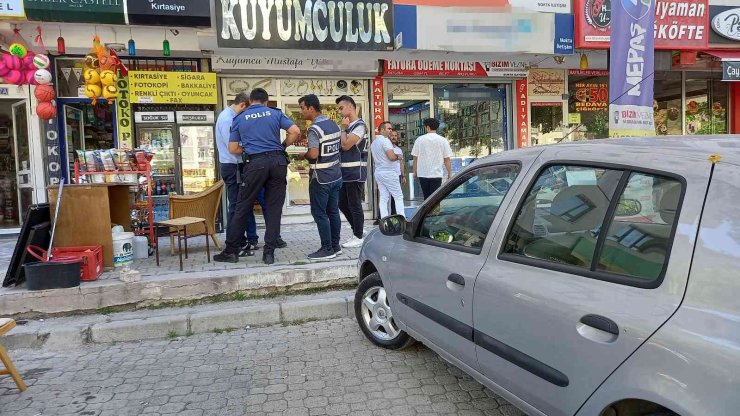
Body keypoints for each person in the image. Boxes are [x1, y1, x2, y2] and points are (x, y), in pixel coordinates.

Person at [214, 88, 301, 265]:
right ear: (266, 102)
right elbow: (296, 131)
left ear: (250, 101)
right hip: (278, 163)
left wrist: (250, 149)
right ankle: (269, 254)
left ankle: (231, 251)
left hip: (255, 164)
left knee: (242, 206)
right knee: (274, 208)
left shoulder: (239, 118)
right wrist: (282, 146)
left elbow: (233, 149)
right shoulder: (275, 113)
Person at [298, 94, 343, 261]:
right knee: (333, 211)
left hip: (320, 177)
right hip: (336, 176)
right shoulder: (334, 125)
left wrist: (304, 155)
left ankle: (326, 248)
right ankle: (335, 245)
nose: (301, 111)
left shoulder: (314, 130)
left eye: (302, 108)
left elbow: (314, 154)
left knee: (319, 212)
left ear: (311, 108)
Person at [336, 95, 368, 249]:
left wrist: (343, 130)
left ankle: (358, 235)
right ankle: (358, 229)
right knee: (341, 202)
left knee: (355, 204)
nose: (339, 111)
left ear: (350, 107)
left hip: (356, 171)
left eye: (341, 108)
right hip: (346, 171)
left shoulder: (360, 126)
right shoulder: (350, 126)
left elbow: (346, 145)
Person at [412, 118, 453, 199]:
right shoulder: (443, 140)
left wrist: (415, 171)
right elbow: (446, 159)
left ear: (427, 127)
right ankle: (435, 211)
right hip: (436, 174)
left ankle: (426, 211)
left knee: (426, 197)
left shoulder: (419, 140)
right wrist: (449, 173)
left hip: (423, 173)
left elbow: (415, 157)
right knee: (435, 198)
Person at [371, 121, 405, 219]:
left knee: (384, 198)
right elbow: (391, 157)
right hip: (389, 172)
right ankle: (401, 219)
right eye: (389, 128)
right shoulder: (385, 141)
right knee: (398, 196)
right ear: (382, 129)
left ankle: (384, 219)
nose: (391, 130)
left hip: (379, 172)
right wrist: (398, 156)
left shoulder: (374, 142)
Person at [389, 130, 406, 215]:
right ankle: (381, 216)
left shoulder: (399, 150)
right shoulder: (386, 148)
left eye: (395, 135)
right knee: (384, 197)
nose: (394, 137)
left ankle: (394, 214)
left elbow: (401, 163)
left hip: (397, 176)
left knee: (395, 197)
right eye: (392, 135)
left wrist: (403, 176)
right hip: (387, 175)